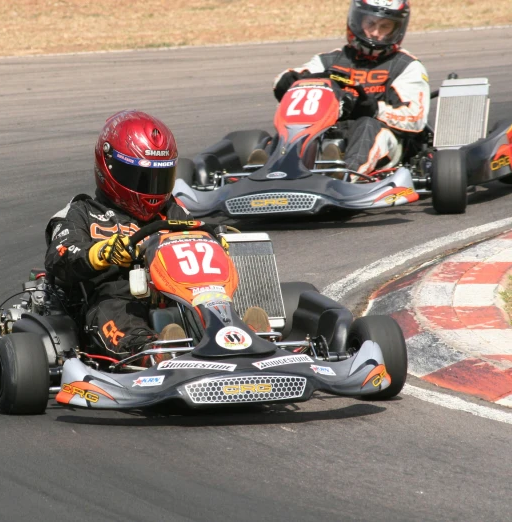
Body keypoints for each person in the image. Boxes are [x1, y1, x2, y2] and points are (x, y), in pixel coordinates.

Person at [44, 110, 270, 362]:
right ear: (109, 167)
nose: (151, 189)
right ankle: (151, 352)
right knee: (115, 309)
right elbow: (59, 256)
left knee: (207, 300)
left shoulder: (173, 211)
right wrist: (102, 253)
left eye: (159, 178)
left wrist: (215, 244)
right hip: (114, 299)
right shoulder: (82, 212)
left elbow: (197, 242)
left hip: (177, 298)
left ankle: (239, 334)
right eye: (141, 178)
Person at [271, 0, 429, 177]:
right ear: (357, 21)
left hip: (382, 138)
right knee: (296, 125)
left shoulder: (406, 66)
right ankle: (269, 168)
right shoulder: (329, 61)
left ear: (397, 29)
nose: (376, 33)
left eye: (385, 26)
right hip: (329, 132)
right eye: (371, 24)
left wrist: (375, 110)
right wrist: (289, 81)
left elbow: (416, 119)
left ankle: (345, 176)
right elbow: (288, 80)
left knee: (367, 125)